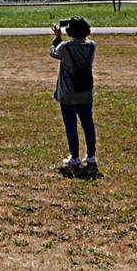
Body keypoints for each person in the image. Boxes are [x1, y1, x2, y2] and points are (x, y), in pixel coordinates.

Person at [50, 16, 97, 172]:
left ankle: (75, 157)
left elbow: (54, 53)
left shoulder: (65, 47)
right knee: (88, 124)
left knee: (71, 126)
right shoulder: (91, 46)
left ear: (70, 31)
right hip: (86, 91)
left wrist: (57, 37)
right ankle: (91, 156)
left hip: (68, 93)